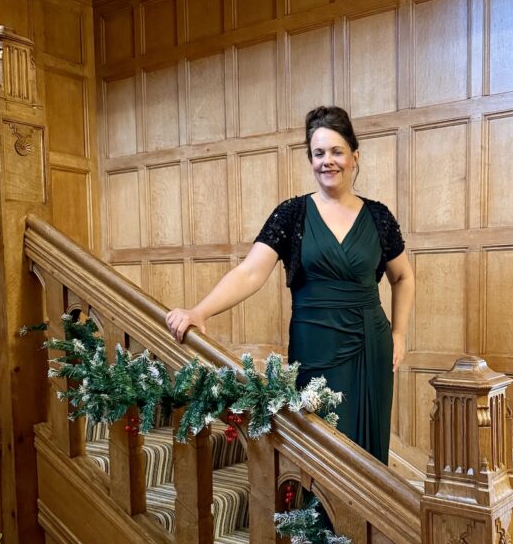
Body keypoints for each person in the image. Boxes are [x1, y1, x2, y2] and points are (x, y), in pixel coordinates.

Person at [166, 105, 414, 464]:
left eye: (336, 151)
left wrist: (399, 334)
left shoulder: (378, 217)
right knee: (318, 446)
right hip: (314, 346)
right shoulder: (292, 213)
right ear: (310, 159)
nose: (327, 161)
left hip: (369, 346)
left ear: (354, 156)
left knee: (366, 456)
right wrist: (200, 310)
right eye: (318, 153)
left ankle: (361, 523)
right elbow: (250, 272)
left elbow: (403, 276)